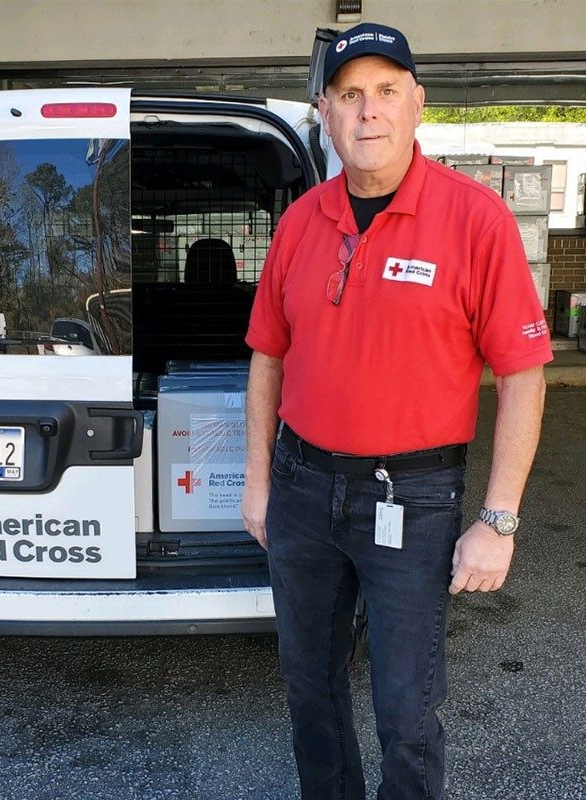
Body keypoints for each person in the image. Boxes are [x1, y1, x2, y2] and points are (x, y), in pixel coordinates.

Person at [241, 22, 552, 800]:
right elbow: (267, 359)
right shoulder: (300, 222)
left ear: (417, 105)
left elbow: (524, 375)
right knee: (309, 690)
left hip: (410, 499)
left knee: (407, 710)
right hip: (304, 490)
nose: (368, 112)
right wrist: (258, 484)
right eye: (350, 95)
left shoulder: (474, 220)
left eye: (386, 93)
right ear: (325, 111)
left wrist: (499, 518)